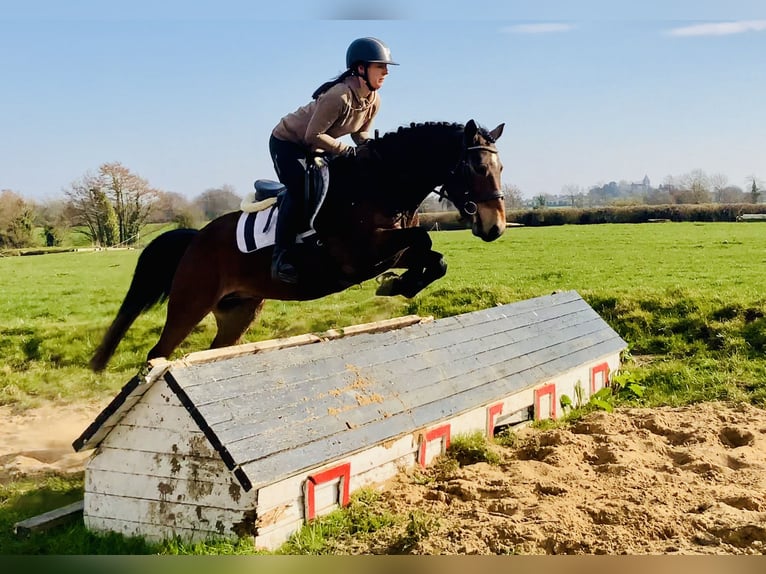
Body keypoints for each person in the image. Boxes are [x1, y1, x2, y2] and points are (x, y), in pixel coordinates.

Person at [269, 37, 398, 284]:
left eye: (386, 66)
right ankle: (280, 257)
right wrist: (348, 151)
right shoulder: (338, 96)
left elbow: (359, 134)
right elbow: (312, 136)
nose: (386, 71)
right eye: (380, 66)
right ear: (361, 68)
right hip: (288, 143)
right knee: (301, 188)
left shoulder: (373, 100)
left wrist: (371, 149)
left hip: (318, 144)